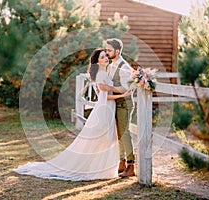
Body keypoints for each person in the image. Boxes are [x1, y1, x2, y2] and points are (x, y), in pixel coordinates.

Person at [14, 48, 131, 181]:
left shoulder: (104, 73)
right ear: (97, 62)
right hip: (104, 110)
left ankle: (101, 167)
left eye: (106, 56)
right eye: (103, 57)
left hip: (108, 110)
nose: (106, 58)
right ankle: (95, 168)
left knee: (104, 140)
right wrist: (123, 94)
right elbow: (105, 97)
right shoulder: (101, 74)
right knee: (100, 140)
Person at [98, 38, 135, 177]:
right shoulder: (111, 65)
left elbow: (125, 88)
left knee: (125, 133)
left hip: (124, 104)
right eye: (106, 50)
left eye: (109, 50)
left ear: (118, 51)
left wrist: (109, 88)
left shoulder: (124, 67)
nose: (107, 53)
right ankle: (121, 162)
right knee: (118, 134)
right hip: (116, 103)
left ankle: (131, 165)